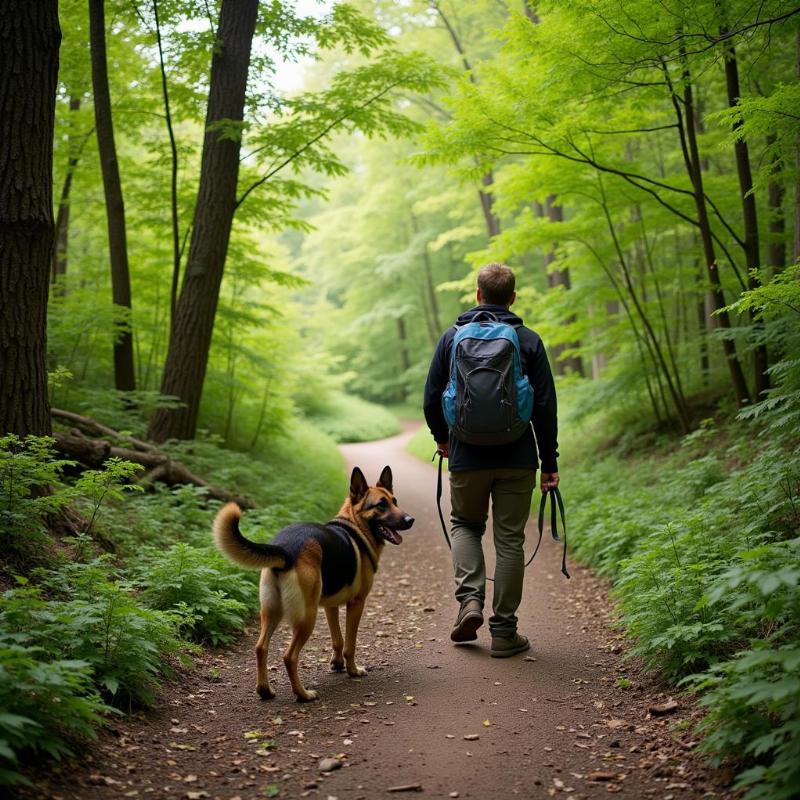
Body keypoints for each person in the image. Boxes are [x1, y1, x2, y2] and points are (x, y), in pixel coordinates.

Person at [423, 263, 559, 657]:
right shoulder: (528, 340)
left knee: (465, 524)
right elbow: (546, 406)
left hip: (466, 454)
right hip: (518, 454)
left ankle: (470, 603)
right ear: (512, 298)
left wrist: (443, 439)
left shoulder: (452, 338)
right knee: (509, 540)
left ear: (478, 294)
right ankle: (503, 632)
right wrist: (549, 462)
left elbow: (431, 398)